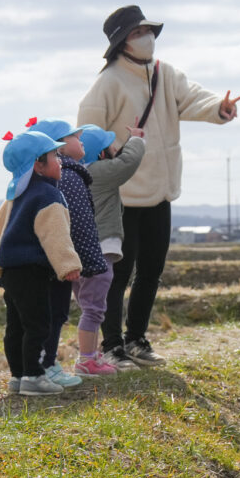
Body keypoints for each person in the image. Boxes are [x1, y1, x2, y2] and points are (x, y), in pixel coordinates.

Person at [77, 5, 240, 366]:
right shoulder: (107, 83)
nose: (146, 38)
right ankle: (112, 345)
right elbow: (87, 133)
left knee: (151, 270)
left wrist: (220, 107)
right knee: (117, 274)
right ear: (122, 43)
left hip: (160, 190)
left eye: (147, 31)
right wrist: (104, 162)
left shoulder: (165, 74)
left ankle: (137, 338)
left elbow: (194, 97)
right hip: (121, 195)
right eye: (137, 33)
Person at [0, 130, 82, 396]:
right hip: (32, 270)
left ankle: (18, 376)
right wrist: (68, 265)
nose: (60, 160)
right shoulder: (47, 195)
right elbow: (55, 235)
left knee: (16, 325)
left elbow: (0, 234)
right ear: (38, 165)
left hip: (12, 272)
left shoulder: (13, 197)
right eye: (54, 155)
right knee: (39, 324)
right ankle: (34, 375)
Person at [26, 119, 110, 382]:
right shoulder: (70, 178)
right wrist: (88, 261)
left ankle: (34, 368)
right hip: (57, 262)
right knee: (55, 313)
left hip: (44, 261)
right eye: (74, 136)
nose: (80, 138)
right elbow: (79, 225)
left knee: (43, 315)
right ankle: (46, 366)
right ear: (59, 147)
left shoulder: (38, 181)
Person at [81, 124, 147, 371]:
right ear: (101, 154)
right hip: (103, 247)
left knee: (91, 306)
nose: (116, 149)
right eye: (111, 146)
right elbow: (127, 163)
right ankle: (89, 358)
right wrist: (136, 139)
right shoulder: (98, 172)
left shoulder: (77, 172)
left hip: (86, 247)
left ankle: (91, 355)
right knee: (95, 307)